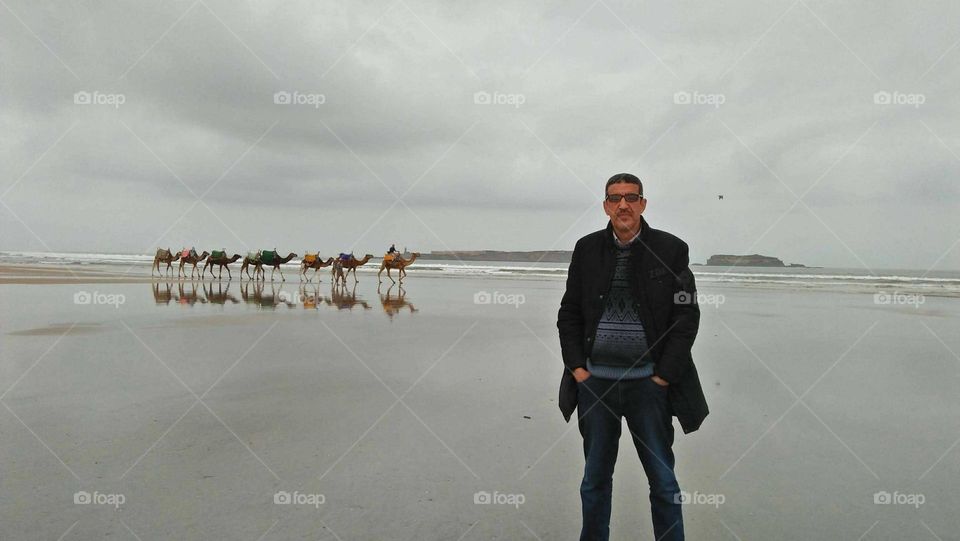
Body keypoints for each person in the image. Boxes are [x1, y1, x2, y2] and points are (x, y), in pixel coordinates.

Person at [557, 173, 708, 541]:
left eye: (630, 197)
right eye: (614, 198)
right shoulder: (587, 248)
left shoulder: (671, 249)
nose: (622, 204)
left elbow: (685, 317)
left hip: (648, 386)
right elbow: (569, 312)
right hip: (596, 385)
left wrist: (664, 377)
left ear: (643, 203)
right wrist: (578, 369)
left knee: (662, 480)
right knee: (594, 480)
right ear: (606, 205)